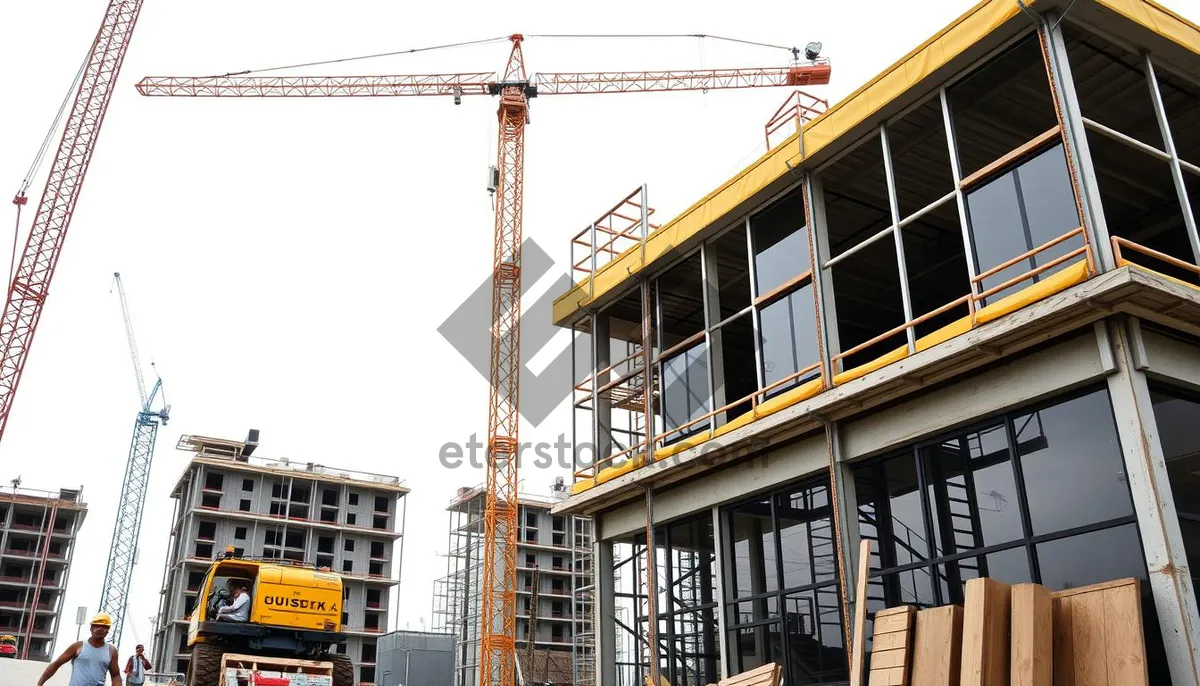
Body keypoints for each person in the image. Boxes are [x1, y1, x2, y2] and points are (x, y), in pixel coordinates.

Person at [37, 613, 123, 686]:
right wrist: (40, 684)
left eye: (104, 627)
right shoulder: (78, 646)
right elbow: (56, 664)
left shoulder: (111, 651)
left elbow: (115, 675)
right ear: (91, 628)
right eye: (97, 626)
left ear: (108, 630)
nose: (100, 629)